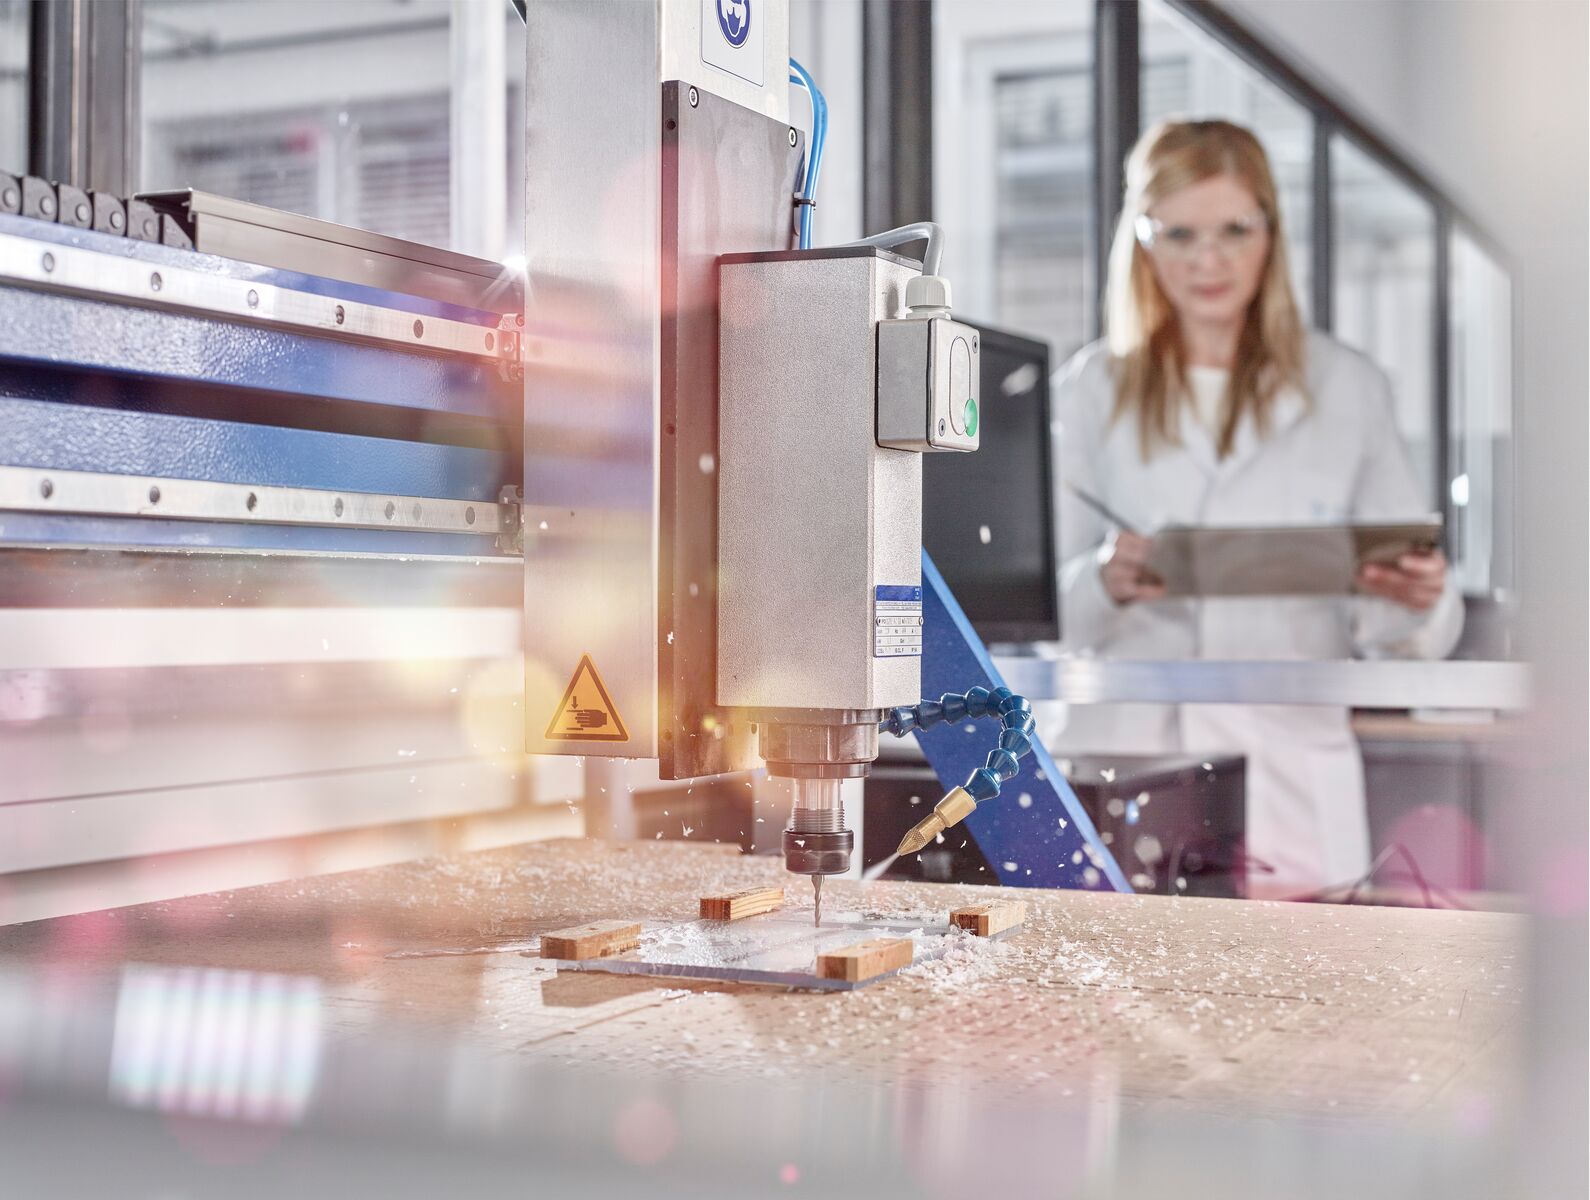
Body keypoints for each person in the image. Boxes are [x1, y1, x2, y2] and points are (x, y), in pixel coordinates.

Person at [1049, 119, 1463, 892]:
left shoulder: (1349, 388)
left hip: (1293, 792)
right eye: (1180, 234)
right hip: (1131, 779)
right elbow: (1035, 614)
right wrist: (1102, 579)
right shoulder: (1086, 392)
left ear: (1270, 232)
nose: (1209, 261)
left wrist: (1418, 600)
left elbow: (1405, 632)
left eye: (1234, 230)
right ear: (1142, 241)